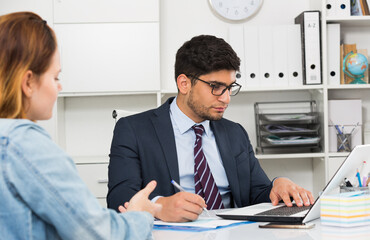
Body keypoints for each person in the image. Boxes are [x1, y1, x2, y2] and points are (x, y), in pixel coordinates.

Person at [108, 35, 315, 222]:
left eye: (230, 87)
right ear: (184, 83)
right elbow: (119, 200)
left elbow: (257, 192)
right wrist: (158, 207)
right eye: (215, 87)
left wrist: (278, 184)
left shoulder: (235, 133)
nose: (225, 98)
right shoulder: (133, 130)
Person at [0, 11, 161, 239]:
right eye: (55, 77)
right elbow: (97, 233)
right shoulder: (25, 143)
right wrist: (140, 214)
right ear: (28, 82)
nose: (59, 87)